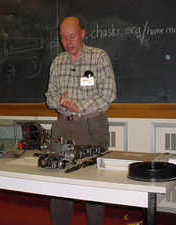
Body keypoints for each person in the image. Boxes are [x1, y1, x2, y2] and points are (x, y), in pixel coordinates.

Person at [45, 16, 116, 225]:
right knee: (59, 181)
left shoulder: (99, 57)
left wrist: (80, 107)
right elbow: (49, 97)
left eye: (72, 36)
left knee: (93, 182)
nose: (68, 42)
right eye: (63, 37)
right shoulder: (57, 62)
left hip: (92, 126)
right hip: (64, 126)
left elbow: (109, 94)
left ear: (83, 34)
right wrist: (61, 101)